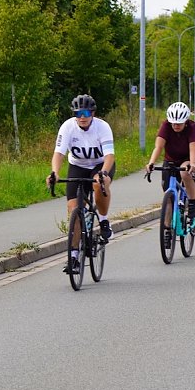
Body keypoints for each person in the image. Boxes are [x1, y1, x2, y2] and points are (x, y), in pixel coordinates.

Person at [46, 94, 115, 272]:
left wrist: (103, 172)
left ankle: (104, 221)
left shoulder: (102, 127)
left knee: (98, 183)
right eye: (78, 113)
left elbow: (109, 156)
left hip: (100, 164)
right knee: (74, 210)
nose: (82, 117)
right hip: (77, 165)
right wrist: (54, 172)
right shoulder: (68, 127)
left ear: (92, 113)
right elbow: (59, 154)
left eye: (85, 113)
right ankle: (74, 257)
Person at [145, 102, 195, 246]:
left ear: (185, 121)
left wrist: (192, 164)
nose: (176, 126)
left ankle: (191, 203)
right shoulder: (166, 126)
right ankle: (167, 230)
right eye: (173, 123)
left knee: (185, 173)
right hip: (171, 160)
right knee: (169, 197)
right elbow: (158, 147)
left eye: (179, 123)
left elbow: (194, 149)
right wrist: (151, 163)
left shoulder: (192, 127)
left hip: (189, 159)